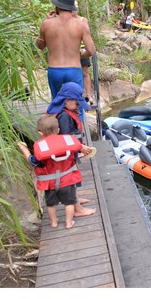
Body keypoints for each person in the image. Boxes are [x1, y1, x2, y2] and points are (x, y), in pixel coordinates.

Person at [17, 115, 95, 229]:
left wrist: (25, 150)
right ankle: (69, 222)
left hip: (50, 184)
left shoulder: (41, 147)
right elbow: (76, 149)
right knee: (69, 203)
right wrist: (81, 148)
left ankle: (53, 222)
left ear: (40, 133)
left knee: (51, 204)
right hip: (67, 181)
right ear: (58, 130)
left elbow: (33, 162)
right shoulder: (68, 141)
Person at [46, 82, 96, 217]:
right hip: (65, 156)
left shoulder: (62, 111)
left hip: (68, 153)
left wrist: (77, 151)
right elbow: (65, 139)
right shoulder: (64, 116)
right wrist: (80, 147)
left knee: (72, 179)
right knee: (71, 180)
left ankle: (75, 201)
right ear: (67, 101)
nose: (79, 105)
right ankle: (77, 210)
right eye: (77, 102)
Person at [36, 0, 96, 100]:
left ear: (57, 7)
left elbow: (40, 45)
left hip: (54, 70)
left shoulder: (46, 24)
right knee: (76, 106)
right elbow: (91, 51)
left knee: (57, 105)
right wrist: (80, 56)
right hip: (73, 70)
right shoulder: (81, 24)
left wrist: (47, 21)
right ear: (72, 8)